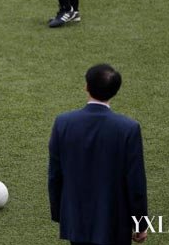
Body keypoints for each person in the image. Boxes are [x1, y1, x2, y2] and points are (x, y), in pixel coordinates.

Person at [48, 64, 148, 244]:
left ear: (86, 86)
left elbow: (55, 175)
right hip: (115, 222)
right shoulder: (128, 128)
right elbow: (135, 183)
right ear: (115, 91)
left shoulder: (63, 123)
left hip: (76, 220)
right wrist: (140, 224)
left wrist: (60, 214)